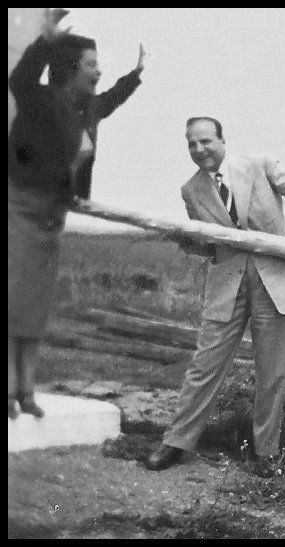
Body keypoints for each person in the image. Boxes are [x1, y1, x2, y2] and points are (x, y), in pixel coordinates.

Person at [145, 117, 285, 472]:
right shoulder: (191, 191)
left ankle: (266, 451)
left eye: (205, 141)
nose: (199, 150)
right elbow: (208, 249)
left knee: (272, 372)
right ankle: (176, 442)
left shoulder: (259, 166)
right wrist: (185, 240)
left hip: (274, 285)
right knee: (204, 367)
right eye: (191, 144)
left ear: (222, 140)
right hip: (226, 287)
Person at [8, 8, 145, 419]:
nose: (99, 71)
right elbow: (19, 79)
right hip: (18, 208)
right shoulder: (42, 100)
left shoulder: (88, 109)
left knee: (34, 305)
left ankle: (26, 392)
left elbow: (113, 98)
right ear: (70, 68)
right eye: (92, 64)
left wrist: (136, 74)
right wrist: (45, 40)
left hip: (51, 217)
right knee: (11, 302)